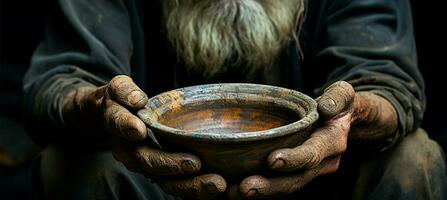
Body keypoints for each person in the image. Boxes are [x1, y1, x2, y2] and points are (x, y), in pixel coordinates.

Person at [23, 0, 446, 199]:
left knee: (413, 158)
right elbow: (63, 79)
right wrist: (102, 108)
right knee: (72, 163)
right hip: (153, 184)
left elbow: (387, 81)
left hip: (315, 185)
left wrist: (350, 116)